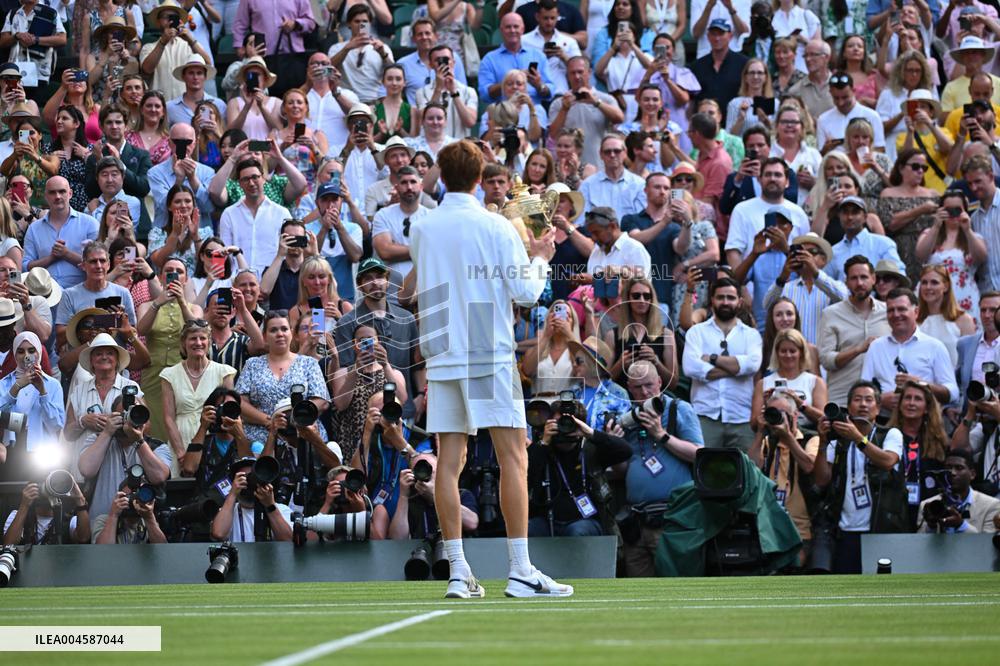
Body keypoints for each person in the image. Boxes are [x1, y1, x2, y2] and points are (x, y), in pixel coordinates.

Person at [403, 140, 572, 598]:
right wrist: (540, 256)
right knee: (513, 456)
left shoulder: (421, 227)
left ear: (441, 173)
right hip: (486, 349)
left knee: (450, 462)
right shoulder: (496, 226)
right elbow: (527, 294)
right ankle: (519, 570)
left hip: (442, 352)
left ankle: (458, 570)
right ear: (479, 179)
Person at [617, 359, 702, 575]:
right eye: (637, 387)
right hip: (636, 520)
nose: (644, 392)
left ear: (660, 382)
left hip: (672, 517)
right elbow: (622, 470)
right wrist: (614, 447)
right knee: (638, 592)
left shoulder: (679, 409)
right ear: (629, 388)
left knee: (676, 584)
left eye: (649, 385)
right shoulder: (628, 418)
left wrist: (661, 435)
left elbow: (699, 454)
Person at [812, 380, 906, 573]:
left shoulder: (890, 433)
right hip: (844, 530)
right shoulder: (838, 440)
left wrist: (859, 439)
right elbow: (821, 480)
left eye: (869, 400)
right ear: (849, 407)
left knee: (881, 590)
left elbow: (888, 461)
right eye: (857, 399)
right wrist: (822, 441)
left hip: (881, 528)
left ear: (878, 408)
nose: (863, 404)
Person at [527, 403, 631, 538]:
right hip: (547, 521)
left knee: (577, 531)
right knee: (528, 529)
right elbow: (524, 472)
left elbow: (626, 451)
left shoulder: (590, 450)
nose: (565, 428)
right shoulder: (544, 449)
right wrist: (543, 443)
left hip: (585, 522)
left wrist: (591, 433)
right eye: (560, 423)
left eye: (570, 423)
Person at [682, 277, 762, 450]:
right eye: (721, 297)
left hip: (741, 417)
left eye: (731, 298)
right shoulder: (697, 332)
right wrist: (737, 368)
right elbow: (690, 368)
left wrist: (711, 358)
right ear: (712, 300)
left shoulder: (751, 335)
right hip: (705, 416)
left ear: (739, 302)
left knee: (746, 473)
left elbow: (753, 366)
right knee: (703, 472)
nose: (726, 302)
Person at [235, 310, 330, 445]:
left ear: (291, 333)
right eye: (273, 330)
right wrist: (270, 420)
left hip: (302, 437)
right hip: (260, 439)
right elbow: (240, 402)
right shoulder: (252, 364)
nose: (280, 334)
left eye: (284, 329)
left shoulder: (309, 363)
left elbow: (322, 401)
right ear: (265, 336)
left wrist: (294, 419)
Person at [861, 288, 959, 412]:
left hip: (923, 423)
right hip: (884, 421)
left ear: (916, 312)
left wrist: (920, 384)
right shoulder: (876, 347)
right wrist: (880, 399)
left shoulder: (935, 346)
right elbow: (863, 389)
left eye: (902, 309)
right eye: (891, 310)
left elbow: (953, 394)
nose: (896, 315)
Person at [160, 319, 237, 476]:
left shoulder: (224, 373)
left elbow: (231, 413)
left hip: (213, 442)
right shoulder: (169, 374)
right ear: (184, 343)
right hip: (180, 439)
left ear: (209, 342)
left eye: (203, 338)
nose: (198, 342)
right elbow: (168, 417)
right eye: (193, 338)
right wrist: (181, 453)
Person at [748, 391, 819, 551]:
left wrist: (788, 438)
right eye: (773, 413)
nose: (778, 418)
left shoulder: (810, 439)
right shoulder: (766, 442)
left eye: (783, 414)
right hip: (769, 526)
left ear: (794, 416)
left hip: (801, 526)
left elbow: (809, 466)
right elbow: (751, 469)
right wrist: (760, 433)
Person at [818, 256, 892, 406]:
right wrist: (858, 349)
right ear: (846, 282)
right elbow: (826, 360)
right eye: (854, 278)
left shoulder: (888, 312)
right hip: (842, 399)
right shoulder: (831, 314)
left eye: (864, 277)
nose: (859, 283)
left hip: (882, 401)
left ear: (873, 279)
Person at [886, 380, 949, 531]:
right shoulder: (887, 436)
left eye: (918, 399)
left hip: (928, 513)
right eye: (907, 398)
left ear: (927, 408)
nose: (911, 403)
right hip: (894, 510)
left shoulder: (939, 441)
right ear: (900, 405)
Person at [917, 189, 987, 321]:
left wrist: (967, 229)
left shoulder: (973, 236)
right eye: (948, 210)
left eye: (957, 209)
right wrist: (936, 226)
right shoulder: (930, 233)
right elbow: (920, 255)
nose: (953, 214)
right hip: (932, 295)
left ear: (965, 210)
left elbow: (981, 258)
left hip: (964, 294)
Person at [22, 176, 99, 290]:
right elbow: (25, 267)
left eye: (62, 191)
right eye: (52, 192)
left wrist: (67, 254)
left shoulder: (90, 224)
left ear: (70, 194)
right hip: (45, 297)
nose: (57, 196)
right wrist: (50, 258)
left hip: (81, 295)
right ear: (46, 196)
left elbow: (99, 264)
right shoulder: (34, 229)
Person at [218, 159, 292, 278]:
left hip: (274, 283)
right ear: (239, 184)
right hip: (237, 283)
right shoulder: (229, 214)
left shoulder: (282, 213)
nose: (251, 183)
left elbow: (287, 253)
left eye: (255, 177)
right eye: (246, 179)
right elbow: (225, 254)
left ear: (263, 178)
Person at [547, 58, 624, 169]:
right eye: (573, 73)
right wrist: (564, 109)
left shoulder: (605, 99)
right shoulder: (559, 104)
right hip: (569, 168)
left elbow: (619, 118)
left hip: (599, 165)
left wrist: (596, 102)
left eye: (580, 72)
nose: (577, 76)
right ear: (567, 76)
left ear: (589, 73)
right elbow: (553, 134)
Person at [0, 330, 64, 458]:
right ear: (14, 354)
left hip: (44, 453)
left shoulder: (52, 385)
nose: (26, 356)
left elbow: (57, 425)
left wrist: (42, 391)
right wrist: (17, 387)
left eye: (31, 350)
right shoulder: (4, 383)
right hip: (12, 451)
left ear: (39, 352)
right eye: (20, 351)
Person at [751, 328, 827, 431]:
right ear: (777, 353)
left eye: (792, 351)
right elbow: (754, 425)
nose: (788, 355)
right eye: (783, 351)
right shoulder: (763, 383)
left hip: (807, 437)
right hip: (774, 434)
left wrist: (801, 405)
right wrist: (767, 405)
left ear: (801, 352)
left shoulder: (815, 382)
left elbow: (823, 419)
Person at [146, 123, 217, 233]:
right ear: (169, 143)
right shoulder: (155, 173)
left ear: (195, 143)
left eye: (187, 142)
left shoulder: (207, 172)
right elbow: (164, 207)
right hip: (166, 234)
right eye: (177, 142)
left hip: (199, 235)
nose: (183, 147)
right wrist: (178, 180)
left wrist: (193, 178)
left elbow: (209, 208)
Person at [139, 0, 212, 101]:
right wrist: (162, 42)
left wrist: (190, 40)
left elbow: (208, 64)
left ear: (180, 21)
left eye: (173, 17)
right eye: (166, 17)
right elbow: (147, 70)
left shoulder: (189, 45)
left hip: (185, 105)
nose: (170, 20)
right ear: (158, 21)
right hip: (159, 106)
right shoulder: (148, 47)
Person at [0, 0, 68, 104]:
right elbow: (3, 40)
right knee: (14, 109)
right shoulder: (13, 13)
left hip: (40, 72)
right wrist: (17, 36)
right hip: (15, 73)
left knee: (35, 108)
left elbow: (62, 39)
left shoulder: (51, 13)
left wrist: (36, 40)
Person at [210, 457, 293, 542]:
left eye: (252, 475)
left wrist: (270, 506)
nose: (248, 481)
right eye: (242, 477)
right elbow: (218, 534)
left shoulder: (281, 510)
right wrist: (232, 493)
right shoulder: (228, 511)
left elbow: (288, 540)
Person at [478, 12, 554, 107]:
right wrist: (508, 81)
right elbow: (484, 94)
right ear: (501, 30)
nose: (512, 30)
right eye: (508, 27)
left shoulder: (538, 56)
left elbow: (551, 92)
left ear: (522, 29)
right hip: (503, 113)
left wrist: (538, 85)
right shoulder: (489, 59)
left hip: (533, 111)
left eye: (516, 26)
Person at [917, 449, 1000, 533]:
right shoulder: (928, 505)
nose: (952, 473)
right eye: (948, 468)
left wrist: (961, 525)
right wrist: (931, 526)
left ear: (972, 474)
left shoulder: (991, 506)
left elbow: (986, 543)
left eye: (959, 468)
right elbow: (920, 544)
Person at [826, 196, 904, 282]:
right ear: (839, 217)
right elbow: (827, 284)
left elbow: (899, 274)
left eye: (855, 212)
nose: (850, 217)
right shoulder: (834, 252)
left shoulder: (883, 244)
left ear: (865, 217)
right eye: (845, 212)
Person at [328, 4, 394, 105]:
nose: (361, 25)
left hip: (374, 102)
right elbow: (328, 70)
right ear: (349, 24)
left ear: (370, 24)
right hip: (346, 102)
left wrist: (383, 54)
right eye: (357, 21)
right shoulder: (337, 48)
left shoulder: (382, 47)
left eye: (365, 21)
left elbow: (394, 72)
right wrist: (347, 49)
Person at [917, 264, 977, 367]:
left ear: (945, 286)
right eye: (924, 282)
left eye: (934, 282)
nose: (928, 287)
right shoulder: (915, 320)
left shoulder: (963, 320)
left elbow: (969, 360)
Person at [3, 476, 90, 545]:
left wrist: (80, 499)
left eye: (53, 485)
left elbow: (84, 538)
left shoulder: (70, 520)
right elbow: (8, 544)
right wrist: (24, 505)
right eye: (42, 484)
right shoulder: (17, 515)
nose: (47, 492)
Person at [579, 134, 646, 215]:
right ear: (601, 154)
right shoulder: (588, 185)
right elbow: (581, 220)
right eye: (607, 152)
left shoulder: (639, 184)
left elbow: (642, 219)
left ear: (625, 153)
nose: (612, 155)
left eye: (617, 151)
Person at [126, 90, 172, 166]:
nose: (153, 109)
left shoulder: (170, 141)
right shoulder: (127, 136)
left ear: (163, 112)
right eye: (149, 106)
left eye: (157, 106)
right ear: (141, 110)